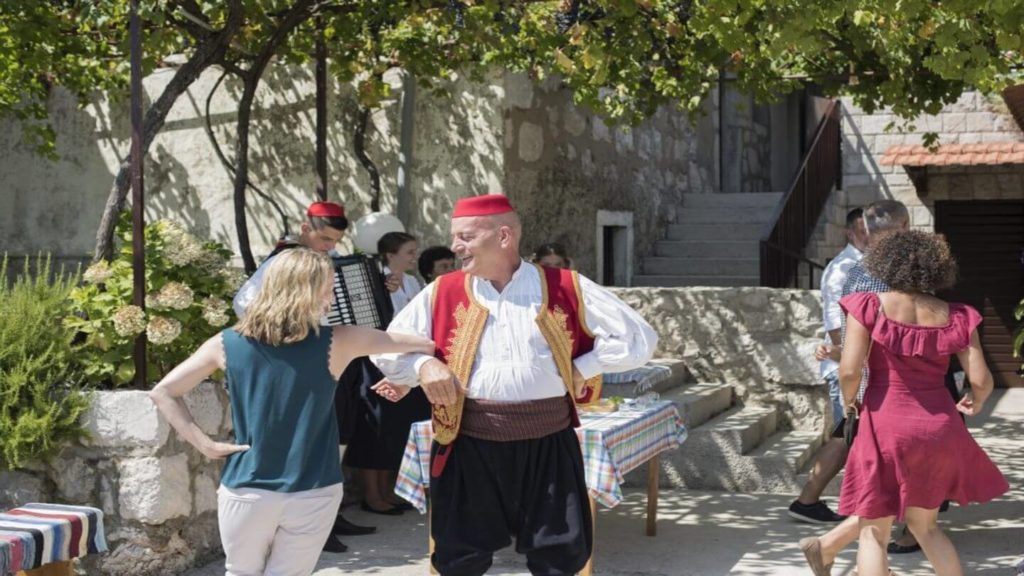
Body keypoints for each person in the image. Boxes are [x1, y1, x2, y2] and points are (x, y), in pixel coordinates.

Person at [371, 194, 659, 576]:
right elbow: (386, 347)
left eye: (466, 237)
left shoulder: (564, 285)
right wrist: (423, 365)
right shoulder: (443, 291)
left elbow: (640, 339)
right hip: (469, 444)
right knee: (458, 558)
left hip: (548, 444)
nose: (455, 247)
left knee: (560, 556)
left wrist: (585, 366)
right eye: (455, 237)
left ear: (503, 236)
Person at [149, 248, 435, 576]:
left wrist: (205, 445)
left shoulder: (225, 343)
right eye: (328, 288)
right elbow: (422, 343)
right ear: (306, 291)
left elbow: (163, 392)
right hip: (315, 487)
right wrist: (411, 375)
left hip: (246, 486)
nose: (332, 297)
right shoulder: (340, 340)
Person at [836, 230, 1006, 576]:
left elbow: (849, 370)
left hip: (884, 424)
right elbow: (981, 380)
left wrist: (849, 402)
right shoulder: (957, 315)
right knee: (926, 528)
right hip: (939, 427)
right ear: (936, 269)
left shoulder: (867, 305)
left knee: (873, 533)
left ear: (884, 264)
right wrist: (976, 402)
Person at [231, 200, 378, 551]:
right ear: (305, 228)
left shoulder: (331, 260)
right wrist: (293, 332)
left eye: (335, 241)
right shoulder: (282, 261)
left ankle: (331, 515)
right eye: (324, 239)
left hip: (334, 358)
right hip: (305, 361)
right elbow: (243, 303)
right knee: (313, 441)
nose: (330, 247)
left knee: (339, 434)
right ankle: (314, 526)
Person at [800, 199, 910, 574]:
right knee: (878, 480)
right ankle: (847, 550)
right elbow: (846, 339)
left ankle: (832, 546)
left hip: (875, 387)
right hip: (877, 389)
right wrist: (853, 398)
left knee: (884, 482)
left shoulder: (865, 272)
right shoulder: (853, 272)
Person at [789, 208, 869, 524]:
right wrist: (849, 360)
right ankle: (808, 501)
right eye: (862, 229)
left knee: (850, 436)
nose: (868, 235)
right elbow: (836, 324)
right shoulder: (842, 269)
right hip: (848, 367)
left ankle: (809, 502)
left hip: (858, 364)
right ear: (849, 233)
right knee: (847, 436)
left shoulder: (866, 266)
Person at [344, 231, 429, 514]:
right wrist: (381, 292)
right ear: (390, 255)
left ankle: (387, 489)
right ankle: (372, 494)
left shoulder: (413, 282)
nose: (414, 257)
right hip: (376, 361)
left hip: (405, 360)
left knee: (396, 428)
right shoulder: (375, 280)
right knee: (376, 427)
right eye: (409, 252)